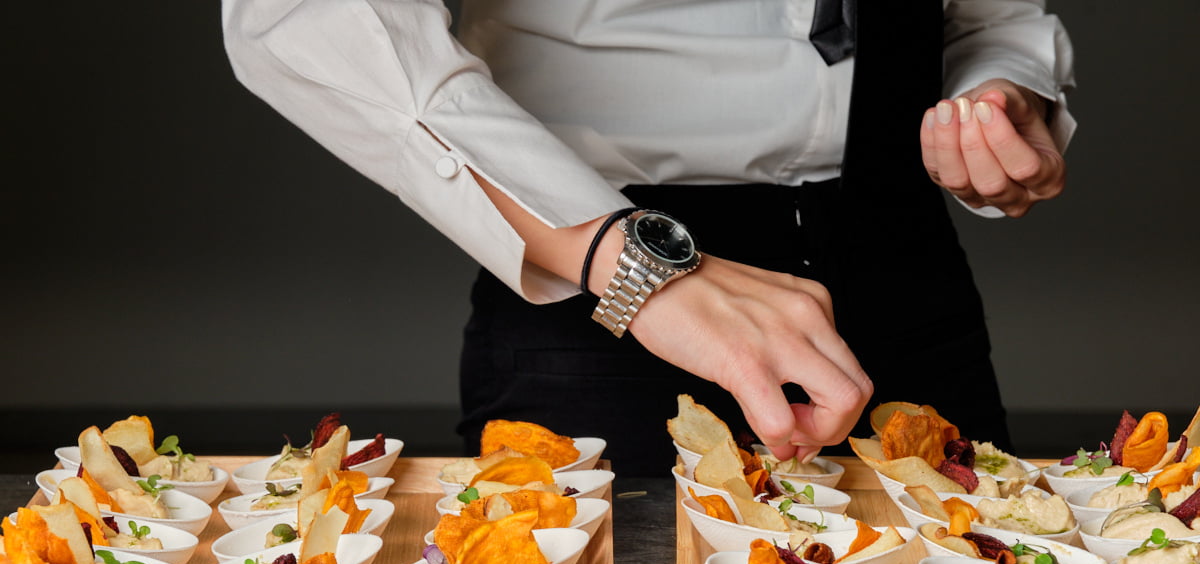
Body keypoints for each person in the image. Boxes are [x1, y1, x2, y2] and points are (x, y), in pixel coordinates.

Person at [222, 1, 1074, 475]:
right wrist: (636, 266)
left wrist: (1004, 97)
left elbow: (989, 18)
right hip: (595, 297)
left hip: (909, 270)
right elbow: (298, 14)